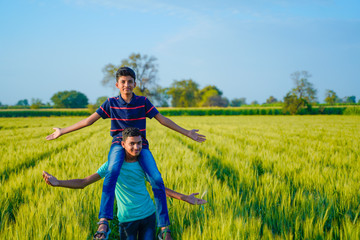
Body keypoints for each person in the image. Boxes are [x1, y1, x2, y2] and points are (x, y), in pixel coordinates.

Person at [46, 67, 206, 239]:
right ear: (117, 84)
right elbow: (88, 121)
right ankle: (104, 221)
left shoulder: (143, 102)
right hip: (118, 143)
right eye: (123, 81)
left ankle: (164, 227)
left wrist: (187, 132)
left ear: (135, 84)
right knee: (112, 172)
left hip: (140, 144)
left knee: (157, 179)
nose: (126, 85)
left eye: (130, 81)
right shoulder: (110, 103)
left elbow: (163, 120)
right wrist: (62, 131)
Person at [43, 127, 206, 240]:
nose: (136, 147)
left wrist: (185, 198)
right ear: (123, 144)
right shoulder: (112, 166)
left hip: (148, 216)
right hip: (126, 219)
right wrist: (58, 183)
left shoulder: (143, 164)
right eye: (132, 144)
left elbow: (159, 188)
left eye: (139, 143)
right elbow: (84, 182)